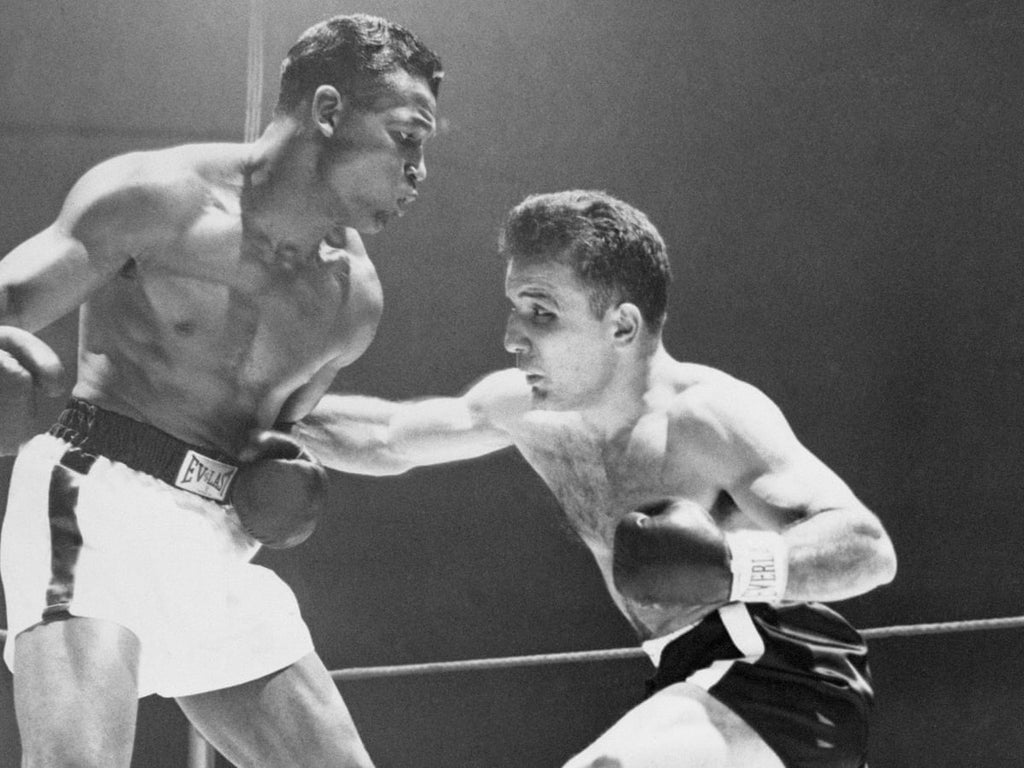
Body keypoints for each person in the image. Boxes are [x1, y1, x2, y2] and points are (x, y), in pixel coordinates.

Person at [295, 190, 898, 768]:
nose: (512, 338)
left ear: (622, 326)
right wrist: (247, 412)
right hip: (689, 683)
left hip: (780, 675)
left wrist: (734, 566)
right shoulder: (533, 413)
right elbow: (388, 436)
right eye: (515, 309)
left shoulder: (706, 416)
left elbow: (867, 548)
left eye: (542, 313)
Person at [0, 13, 441, 768]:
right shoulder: (158, 198)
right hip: (93, 501)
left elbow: (274, 441)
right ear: (329, 111)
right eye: (407, 136)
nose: (419, 171)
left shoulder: (351, 300)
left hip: (216, 542)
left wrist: (283, 488)